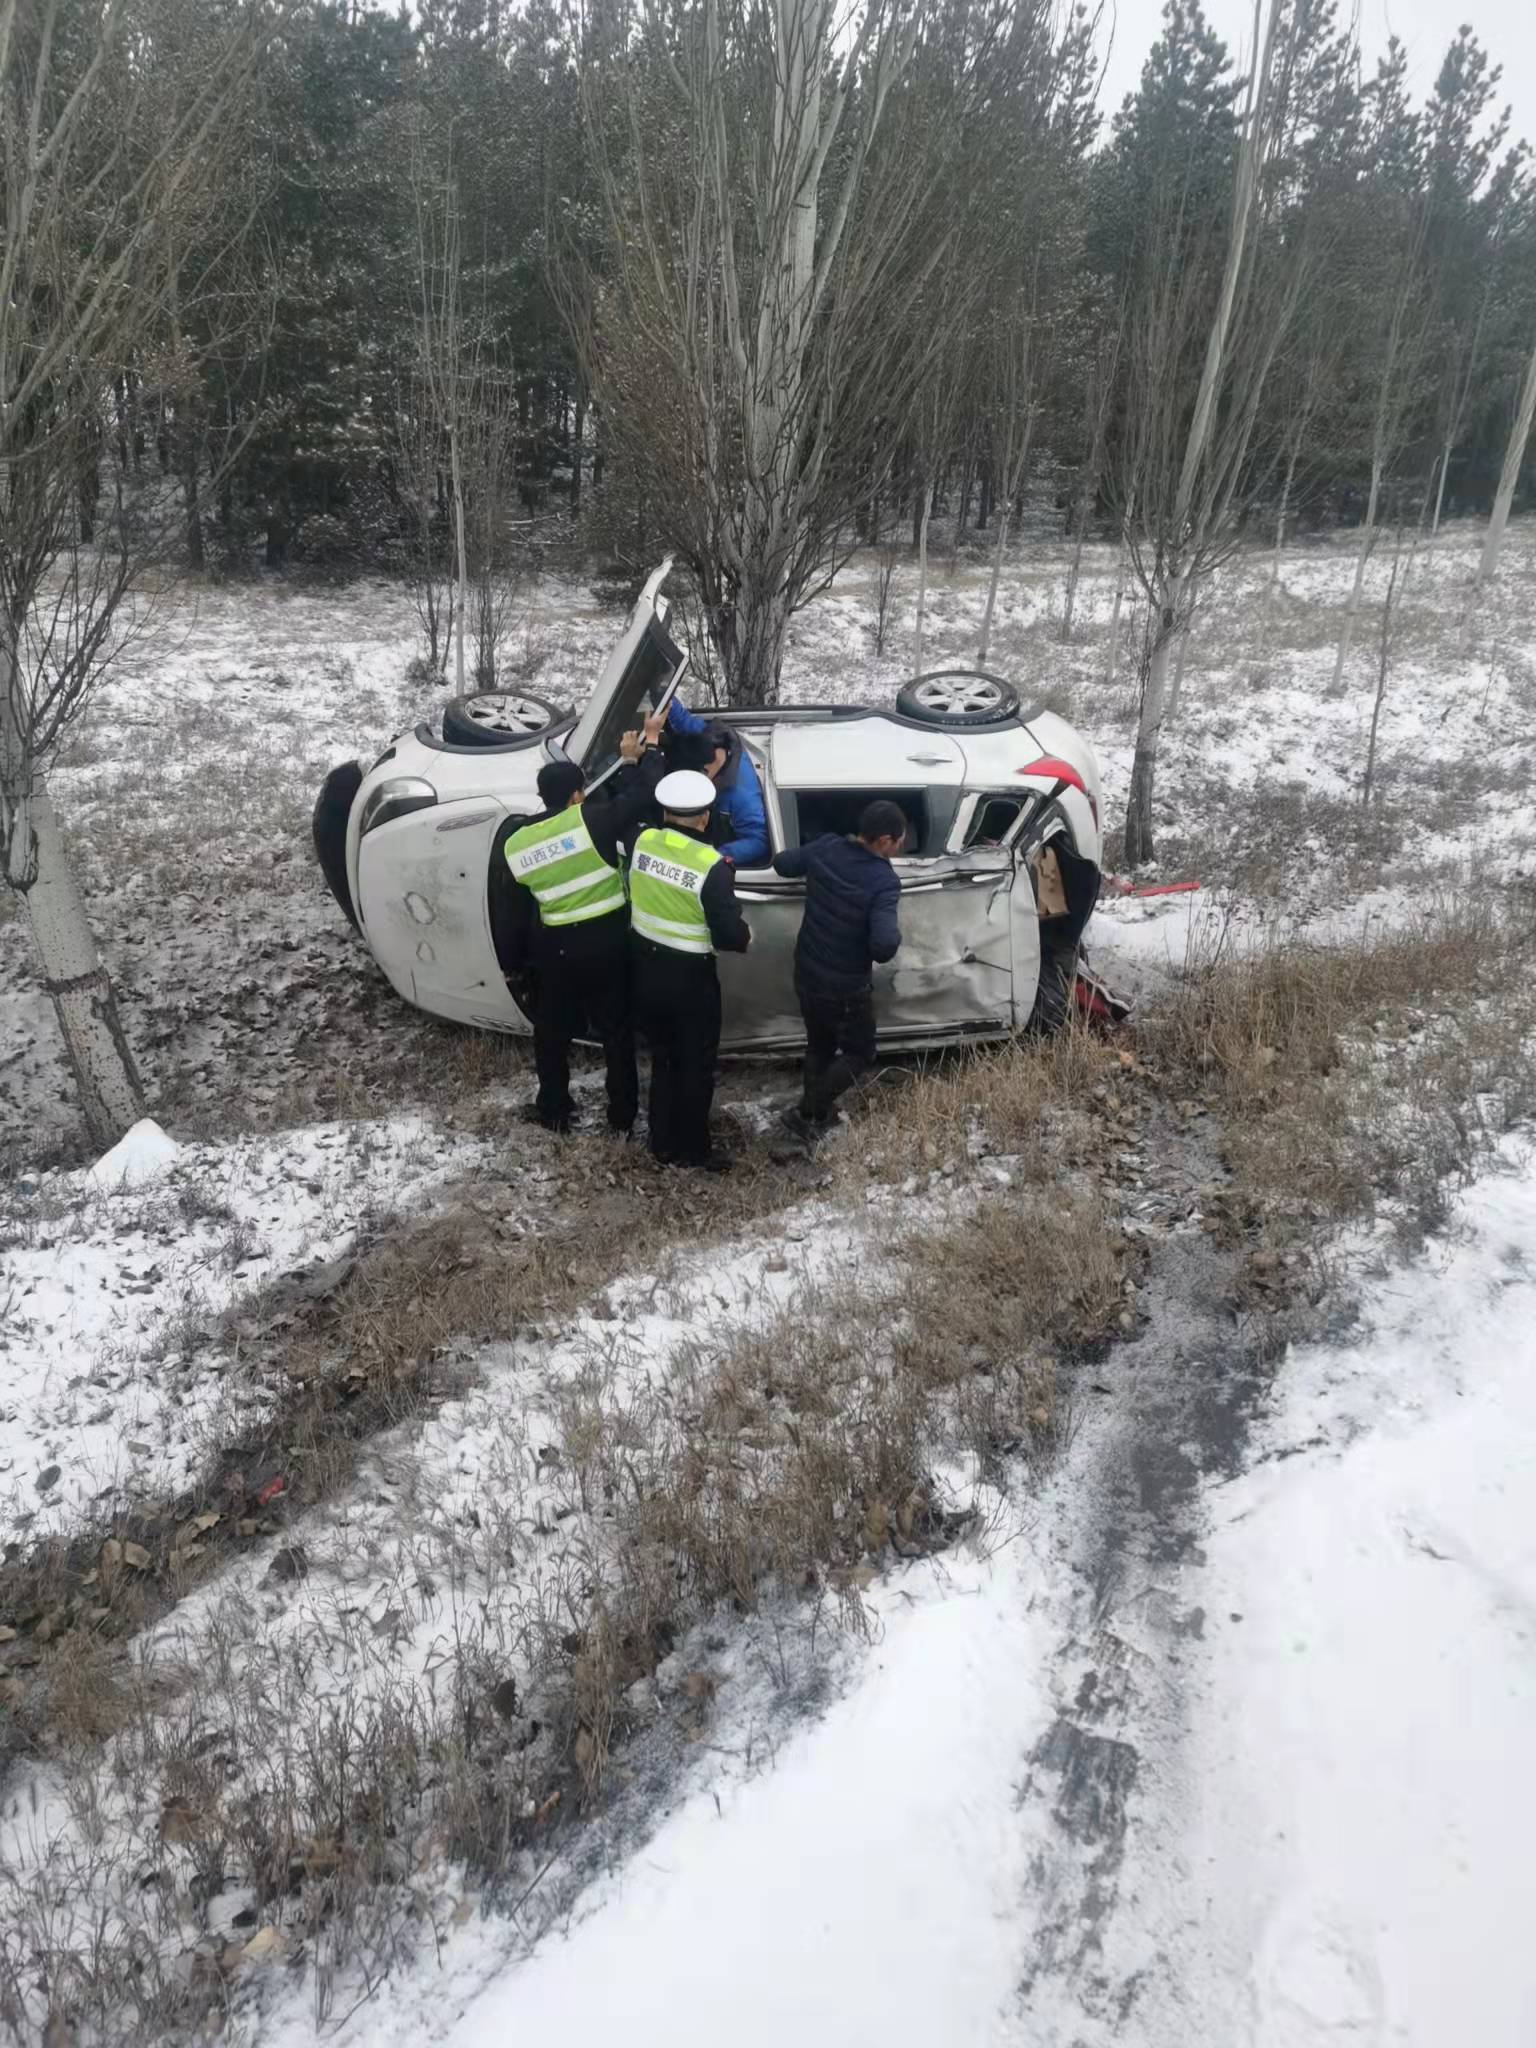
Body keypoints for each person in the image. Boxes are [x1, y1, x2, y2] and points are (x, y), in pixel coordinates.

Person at [501, 713, 665, 1134]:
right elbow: (645, 795)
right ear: (577, 795)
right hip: (607, 944)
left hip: (554, 949)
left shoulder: (516, 841)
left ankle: (553, 1110)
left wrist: (514, 963)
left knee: (551, 1034)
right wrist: (637, 755)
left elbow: (514, 908)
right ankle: (622, 1116)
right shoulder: (592, 819)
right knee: (615, 1033)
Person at [629, 768, 751, 1171]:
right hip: (690, 980)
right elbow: (730, 935)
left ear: (666, 813)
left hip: (645, 969)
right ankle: (694, 1150)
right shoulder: (712, 866)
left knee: (663, 1059)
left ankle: (661, 1142)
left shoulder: (641, 841)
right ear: (704, 817)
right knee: (696, 1065)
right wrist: (747, 934)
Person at [772, 799, 905, 1141]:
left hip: (808, 970)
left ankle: (814, 1114)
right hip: (845, 986)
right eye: (899, 841)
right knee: (860, 1052)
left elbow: (783, 863)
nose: (900, 847)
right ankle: (808, 1110)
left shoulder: (827, 847)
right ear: (885, 841)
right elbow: (884, 946)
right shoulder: (883, 881)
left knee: (819, 1044)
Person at [664, 697, 770, 867]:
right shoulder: (707, 737)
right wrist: (661, 690)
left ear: (704, 769)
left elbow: (758, 841)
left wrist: (711, 857)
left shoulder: (741, 796)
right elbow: (681, 719)